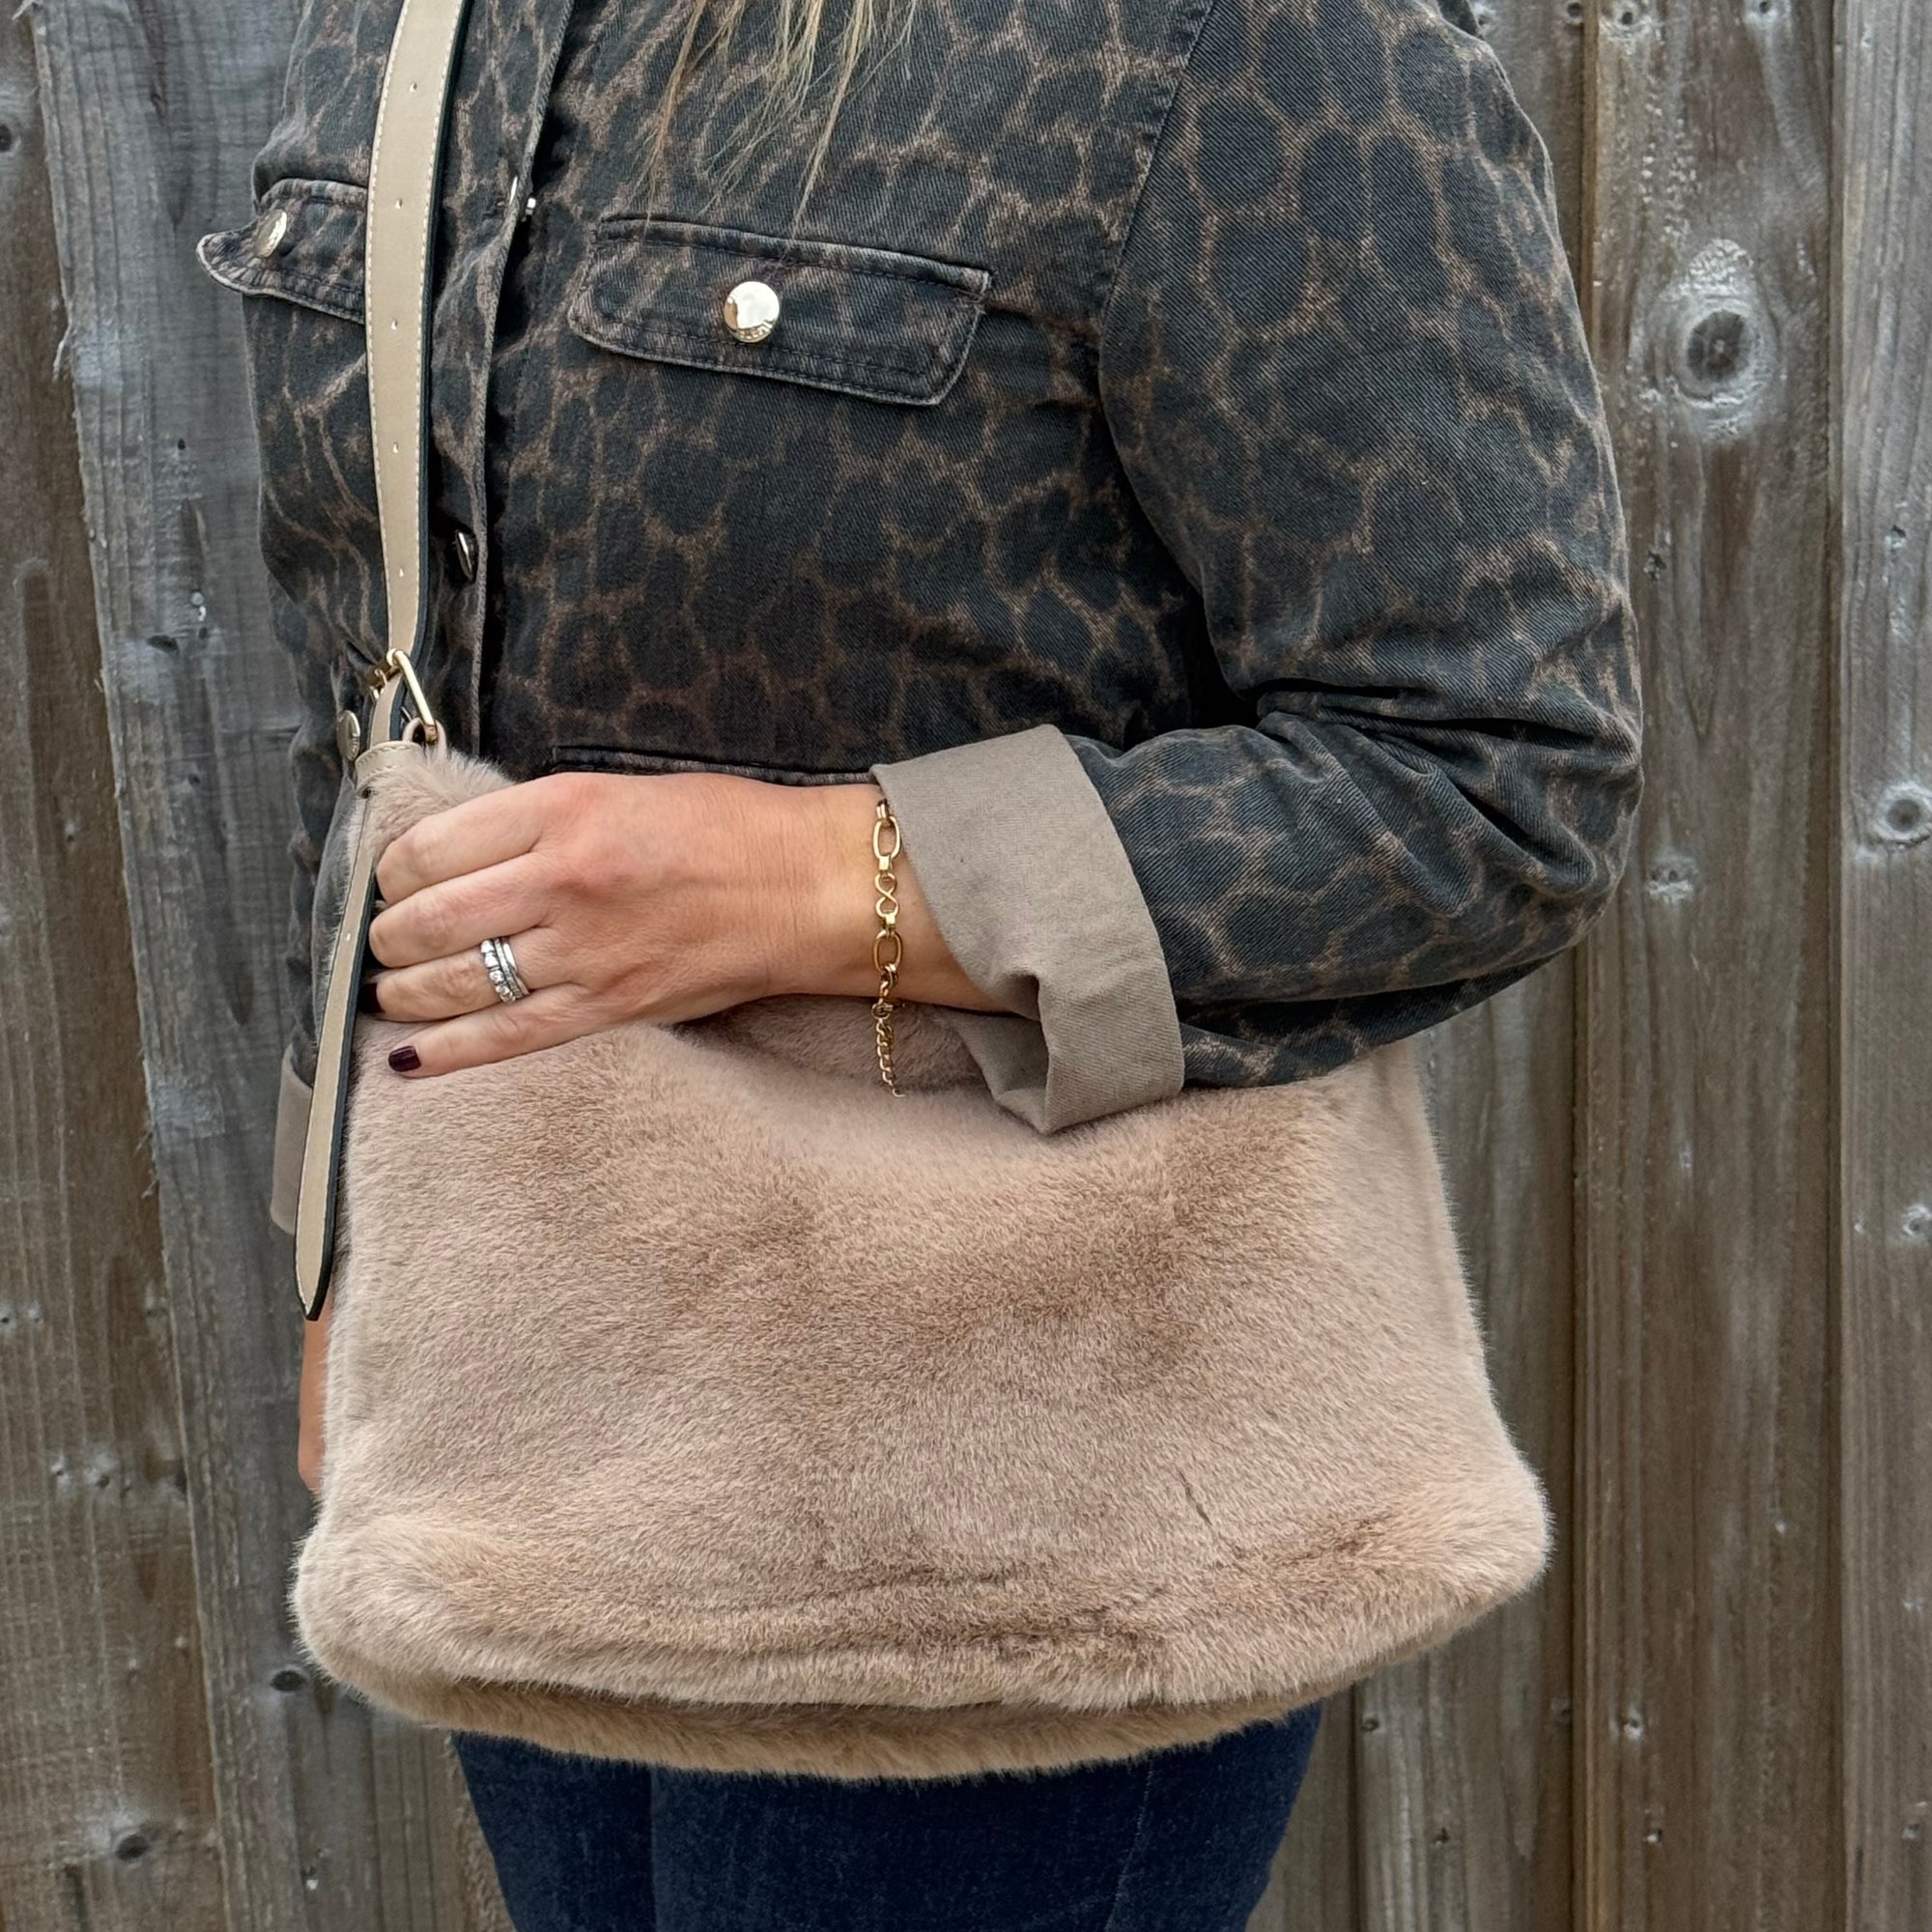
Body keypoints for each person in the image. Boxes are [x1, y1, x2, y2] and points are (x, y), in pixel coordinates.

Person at [198, 0, 1641, 1919]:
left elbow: (1488, 774)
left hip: (1017, 1501)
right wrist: (348, 1253)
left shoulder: (1245, 44)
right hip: (551, 1416)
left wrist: (822, 877)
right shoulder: (416, 26)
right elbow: (374, 702)